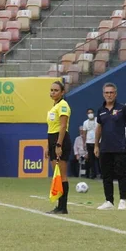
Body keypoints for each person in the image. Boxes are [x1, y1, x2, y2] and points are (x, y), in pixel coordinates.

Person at [94, 83, 126, 210]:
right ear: (103, 94)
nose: (109, 95)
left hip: (120, 147)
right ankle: (109, 201)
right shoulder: (101, 110)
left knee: (121, 174)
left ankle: (122, 200)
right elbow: (99, 128)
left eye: (111, 92)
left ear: (115, 94)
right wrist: (96, 145)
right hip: (105, 148)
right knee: (106, 175)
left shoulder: (123, 108)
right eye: (106, 92)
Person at [45, 80, 72, 214]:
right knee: (56, 175)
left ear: (62, 92)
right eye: (51, 90)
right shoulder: (53, 107)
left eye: (56, 90)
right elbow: (51, 128)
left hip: (60, 139)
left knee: (62, 175)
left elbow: (62, 126)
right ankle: (58, 205)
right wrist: (47, 146)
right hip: (52, 139)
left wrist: (58, 144)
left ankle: (63, 207)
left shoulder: (63, 105)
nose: (53, 92)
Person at [82, 108, 99, 179]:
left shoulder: (97, 120)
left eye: (91, 112)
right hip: (89, 142)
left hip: (97, 142)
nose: (90, 114)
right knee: (91, 159)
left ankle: (102, 174)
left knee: (99, 158)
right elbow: (84, 133)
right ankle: (93, 174)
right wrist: (84, 143)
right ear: (87, 114)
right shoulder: (85, 122)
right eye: (89, 113)